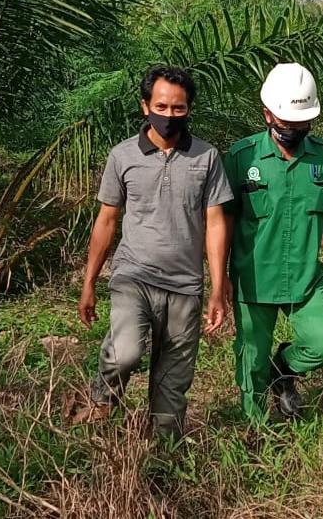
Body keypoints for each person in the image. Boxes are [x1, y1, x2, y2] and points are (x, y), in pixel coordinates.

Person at [76, 65, 232, 439]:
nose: (169, 116)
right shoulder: (123, 156)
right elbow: (107, 220)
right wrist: (89, 282)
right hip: (134, 276)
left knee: (174, 378)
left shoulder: (206, 157)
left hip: (185, 284)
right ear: (145, 106)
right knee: (126, 351)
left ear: (189, 109)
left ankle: (163, 449)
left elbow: (215, 223)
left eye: (178, 109)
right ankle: (101, 402)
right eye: (161, 106)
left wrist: (216, 286)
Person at [223, 62, 323, 422]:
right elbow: (223, 222)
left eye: (302, 123)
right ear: (267, 114)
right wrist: (220, 279)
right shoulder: (241, 157)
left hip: (306, 278)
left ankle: (285, 370)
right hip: (253, 278)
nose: (294, 130)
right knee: (251, 360)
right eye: (287, 123)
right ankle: (256, 430)